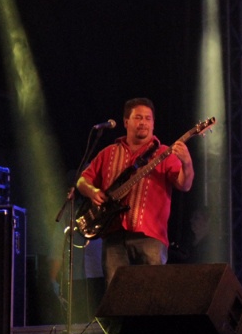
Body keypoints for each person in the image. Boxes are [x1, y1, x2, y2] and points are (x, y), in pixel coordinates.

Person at [76, 98, 194, 284]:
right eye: (138, 117)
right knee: (115, 297)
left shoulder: (164, 153)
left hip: (150, 238)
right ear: (126, 122)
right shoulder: (108, 152)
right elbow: (82, 180)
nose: (143, 122)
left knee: (151, 297)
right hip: (113, 236)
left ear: (154, 124)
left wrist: (187, 163)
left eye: (148, 119)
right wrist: (92, 191)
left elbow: (184, 185)